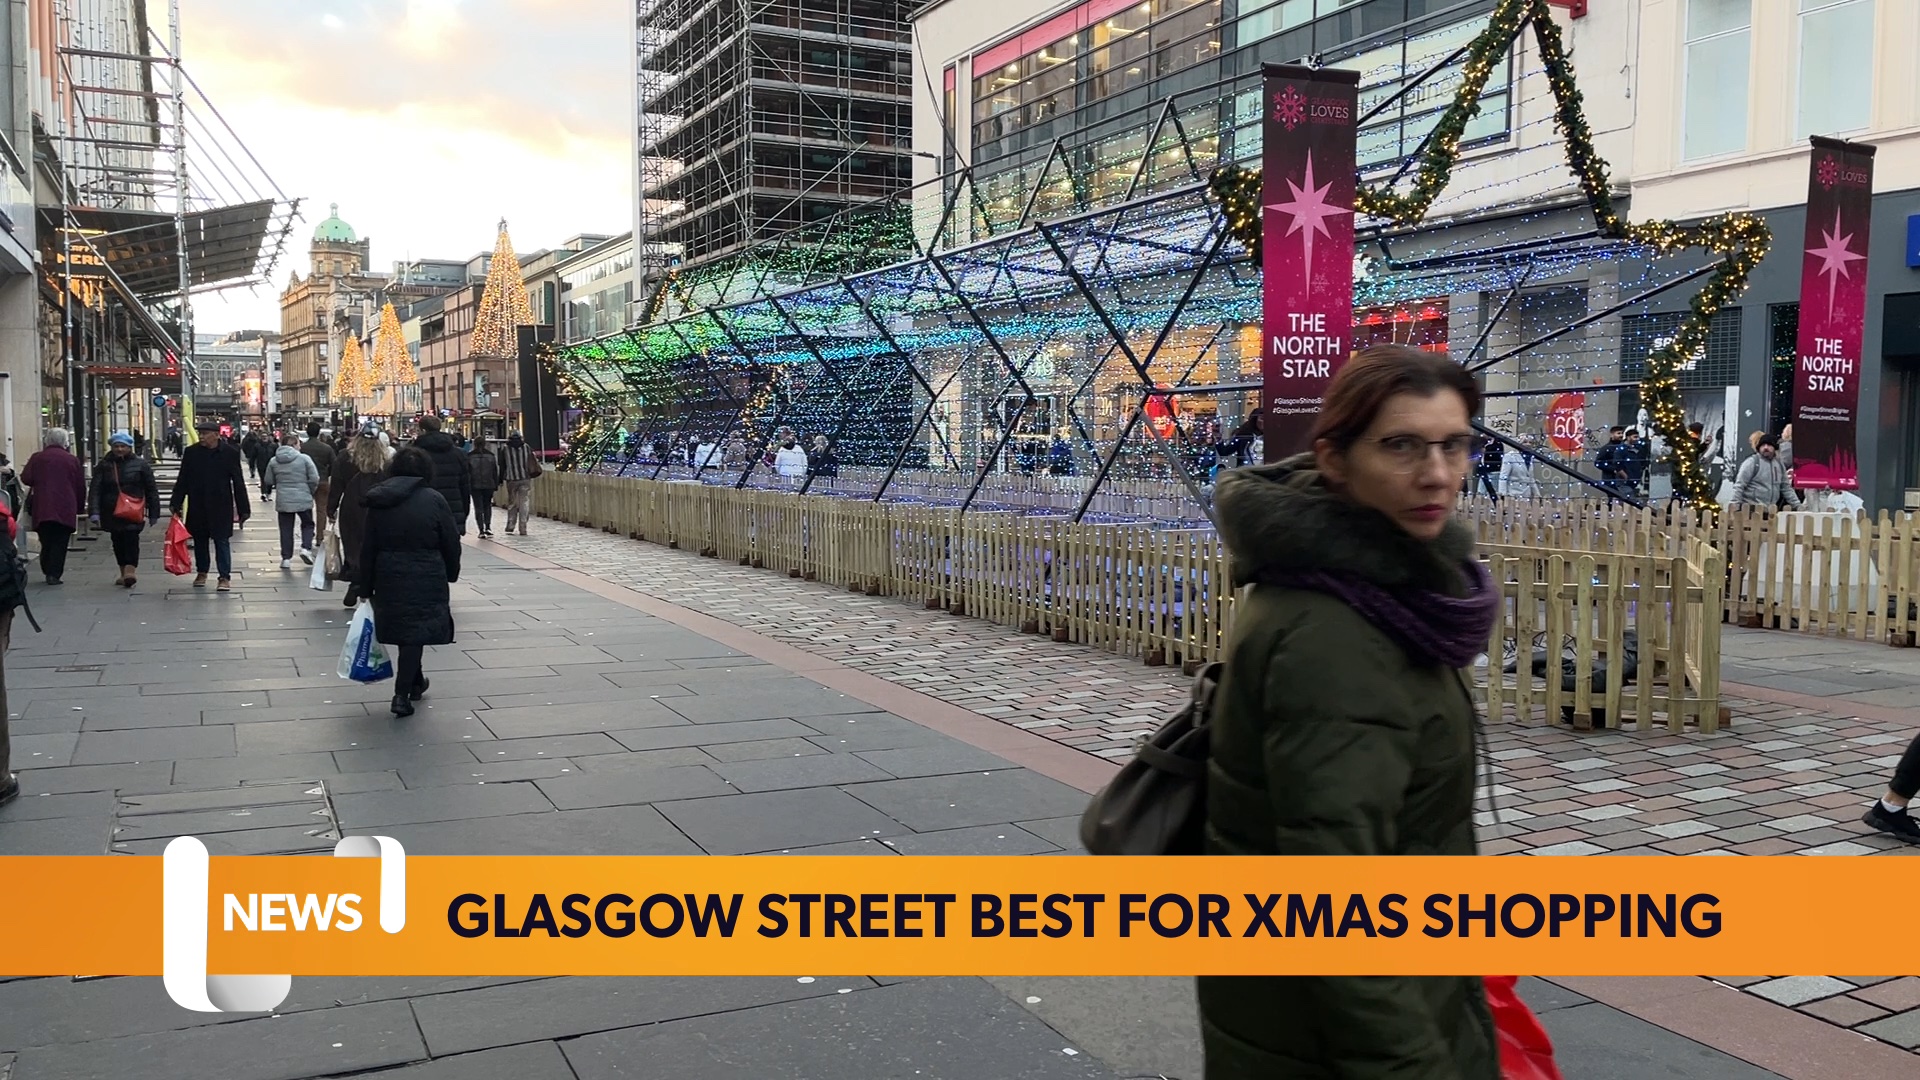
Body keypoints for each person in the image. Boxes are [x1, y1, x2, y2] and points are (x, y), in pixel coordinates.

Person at [1199, 345, 1500, 1079]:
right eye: (1400, 445)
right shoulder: (1339, 635)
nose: (1436, 474)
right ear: (1334, 459)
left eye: (1453, 444)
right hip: (1336, 1034)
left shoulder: (1380, 591)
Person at [355, 447, 461, 718]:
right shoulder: (434, 500)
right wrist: (451, 572)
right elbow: (450, 541)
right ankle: (401, 694)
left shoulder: (380, 501)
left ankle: (416, 681)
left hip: (389, 573)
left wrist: (364, 586)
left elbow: (368, 547)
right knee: (415, 632)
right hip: (427, 573)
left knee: (409, 633)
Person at [171, 419, 250, 591]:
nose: (201, 436)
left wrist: (244, 508)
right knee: (200, 540)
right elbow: (183, 478)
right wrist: (175, 502)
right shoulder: (192, 453)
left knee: (222, 541)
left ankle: (224, 577)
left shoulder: (229, 452)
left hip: (221, 504)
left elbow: (238, 481)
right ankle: (202, 572)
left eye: (205, 433)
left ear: (216, 435)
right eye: (200, 433)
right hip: (198, 502)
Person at [88, 431, 161, 588]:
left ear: (130, 447)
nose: (119, 449)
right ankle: (123, 572)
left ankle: (130, 571)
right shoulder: (104, 465)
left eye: (123, 446)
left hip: (134, 510)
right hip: (111, 510)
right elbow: (96, 489)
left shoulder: (141, 465)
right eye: (116, 446)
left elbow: (151, 489)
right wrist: (94, 511)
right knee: (117, 541)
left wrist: (154, 512)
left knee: (132, 539)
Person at [330, 424, 390, 607]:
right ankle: (368, 585)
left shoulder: (345, 457)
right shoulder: (386, 460)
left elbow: (337, 485)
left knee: (354, 547)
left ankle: (356, 580)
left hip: (352, 507)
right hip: (378, 506)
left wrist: (331, 509)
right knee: (375, 546)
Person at [21, 428, 87, 584]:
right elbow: (80, 485)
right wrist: (80, 507)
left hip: (42, 505)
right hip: (65, 505)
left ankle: (46, 566)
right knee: (60, 540)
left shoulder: (37, 458)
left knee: (46, 539)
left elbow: (26, 478)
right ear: (65, 441)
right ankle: (54, 573)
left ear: (47, 440)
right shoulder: (71, 459)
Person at [263, 434, 321, 569]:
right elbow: (314, 478)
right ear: (295, 445)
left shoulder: (274, 461)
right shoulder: (304, 459)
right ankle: (306, 548)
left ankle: (286, 558)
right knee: (307, 524)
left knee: (286, 529)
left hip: (284, 498)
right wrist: (310, 491)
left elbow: (268, 480)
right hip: (303, 495)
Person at [411, 415, 472, 536]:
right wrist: (463, 513)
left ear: (422, 430)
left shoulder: (413, 454)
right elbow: (465, 487)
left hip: (422, 512)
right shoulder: (459, 454)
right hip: (452, 511)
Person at [1729, 434, 1799, 509]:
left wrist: (1797, 505)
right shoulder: (1752, 462)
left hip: (1770, 511)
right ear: (1759, 448)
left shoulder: (1779, 465)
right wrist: (1734, 506)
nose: (1766, 447)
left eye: (1769, 445)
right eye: (1763, 445)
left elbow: (1786, 488)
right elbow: (1740, 485)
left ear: (1774, 447)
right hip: (1750, 510)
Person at [497, 431, 539, 536]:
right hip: (525, 478)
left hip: (511, 479)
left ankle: (511, 524)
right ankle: (523, 525)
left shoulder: (505, 448)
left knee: (512, 502)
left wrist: (500, 479)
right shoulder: (526, 447)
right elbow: (532, 461)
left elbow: (502, 465)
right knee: (524, 501)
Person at [301, 421, 337, 525]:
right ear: (318, 432)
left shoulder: (302, 448)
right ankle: (320, 537)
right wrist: (327, 474)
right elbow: (334, 464)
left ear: (307, 432)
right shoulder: (326, 448)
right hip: (322, 480)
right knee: (321, 509)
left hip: (305, 481)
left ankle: (308, 530)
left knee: (306, 508)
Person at [467, 433, 501, 538]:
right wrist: (496, 484)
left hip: (475, 485)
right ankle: (488, 527)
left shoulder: (469, 456)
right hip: (489, 484)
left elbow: (467, 473)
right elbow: (494, 471)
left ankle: (481, 530)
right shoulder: (490, 456)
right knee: (487, 506)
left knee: (478, 508)